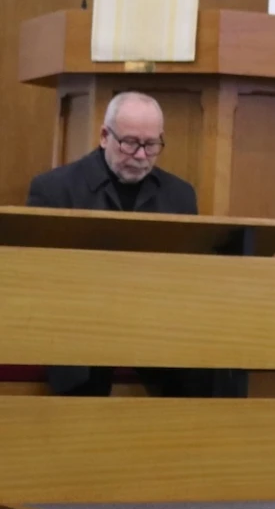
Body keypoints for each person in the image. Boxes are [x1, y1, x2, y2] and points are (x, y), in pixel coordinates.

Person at [29, 92, 241, 398]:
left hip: (155, 323)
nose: (141, 155)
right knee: (82, 376)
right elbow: (37, 276)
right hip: (78, 323)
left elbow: (187, 275)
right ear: (105, 136)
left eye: (151, 145)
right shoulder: (54, 189)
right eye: (129, 143)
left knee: (209, 371)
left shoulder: (179, 195)